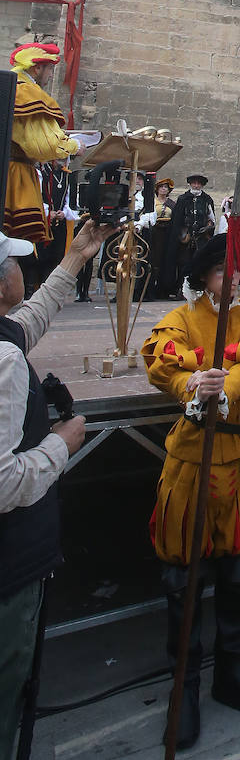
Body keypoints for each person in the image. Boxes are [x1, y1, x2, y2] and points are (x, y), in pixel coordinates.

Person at [141, 233, 240, 750]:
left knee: (239, 571)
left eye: (239, 269)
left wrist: (228, 383)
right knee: (185, 578)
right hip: (191, 460)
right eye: (224, 272)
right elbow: (160, 361)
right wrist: (191, 386)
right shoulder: (182, 318)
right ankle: (186, 685)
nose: (234, 279)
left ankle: (231, 671)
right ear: (204, 276)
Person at [0, 220, 110, 759]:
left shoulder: (5, 333)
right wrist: (62, 444)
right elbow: (3, 482)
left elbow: (30, 318)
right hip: (10, 565)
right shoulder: (3, 361)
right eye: (15, 263)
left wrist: (76, 259)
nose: (22, 269)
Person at [4, 43, 81, 247]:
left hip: (9, 169)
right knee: (14, 247)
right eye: (50, 69)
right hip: (15, 175)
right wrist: (75, 146)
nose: (51, 75)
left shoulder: (11, 86)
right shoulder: (28, 93)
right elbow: (44, 146)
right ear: (37, 68)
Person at [165, 175, 215, 299]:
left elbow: (211, 218)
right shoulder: (183, 199)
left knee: (201, 263)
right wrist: (182, 233)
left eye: (199, 184)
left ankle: (201, 291)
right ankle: (181, 290)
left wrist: (207, 228)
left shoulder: (207, 199)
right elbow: (176, 219)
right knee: (183, 264)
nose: (196, 186)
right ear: (190, 184)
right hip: (185, 238)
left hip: (202, 238)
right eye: (194, 183)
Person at [139, 177, 175, 299]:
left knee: (163, 261)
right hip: (154, 233)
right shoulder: (152, 202)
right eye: (161, 187)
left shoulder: (171, 203)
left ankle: (162, 289)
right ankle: (149, 290)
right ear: (157, 189)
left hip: (167, 234)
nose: (164, 189)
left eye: (166, 187)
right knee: (152, 260)